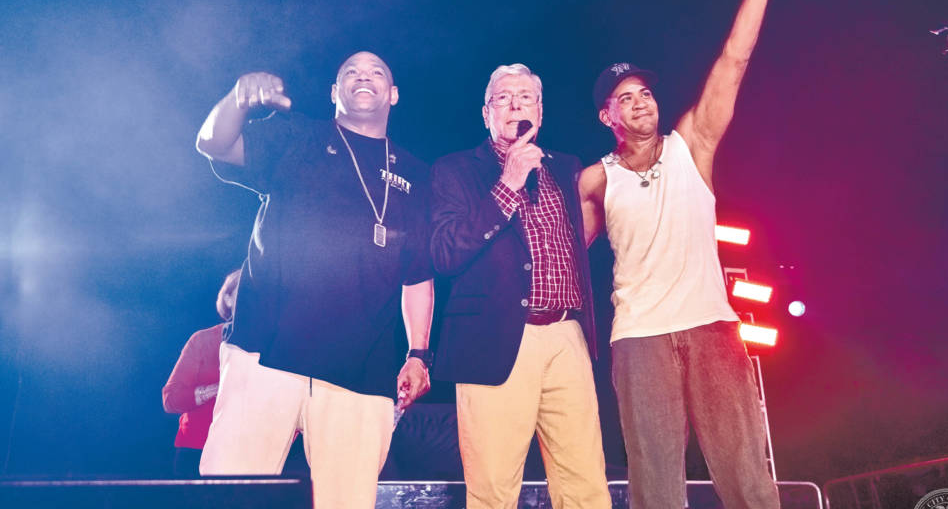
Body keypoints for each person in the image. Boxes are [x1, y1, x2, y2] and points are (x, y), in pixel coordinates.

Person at [578, 0, 815, 509]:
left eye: (645, 93)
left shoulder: (693, 145)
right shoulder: (593, 179)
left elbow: (735, 57)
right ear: (607, 116)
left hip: (712, 326)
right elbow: (561, 256)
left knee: (744, 469)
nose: (640, 103)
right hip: (639, 339)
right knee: (654, 479)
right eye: (624, 99)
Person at [194, 51, 434, 509]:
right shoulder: (297, 137)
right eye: (350, 72)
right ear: (334, 92)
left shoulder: (417, 175)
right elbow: (214, 143)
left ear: (394, 94)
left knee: (347, 501)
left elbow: (418, 272)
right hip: (266, 351)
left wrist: (418, 353)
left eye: (377, 72)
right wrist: (237, 99)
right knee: (232, 493)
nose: (363, 78)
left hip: (363, 369)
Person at [431, 63, 612, 508]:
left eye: (526, 97)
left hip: (567, 336)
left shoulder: (567, 168)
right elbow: (444, 254)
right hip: (494, 339)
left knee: (585, 484)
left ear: (541, 111)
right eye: (503, 98)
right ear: (485, 113)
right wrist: (508, 182)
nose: (515, 105)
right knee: (493, 488)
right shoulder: (454, 170)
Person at [162, 268, 239, 477]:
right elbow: (171, 399)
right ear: (228, 299)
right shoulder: (202, 341)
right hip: (197, 450)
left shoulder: (272, 344)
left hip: (250, 452)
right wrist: (217, 389)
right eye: (244, 290)